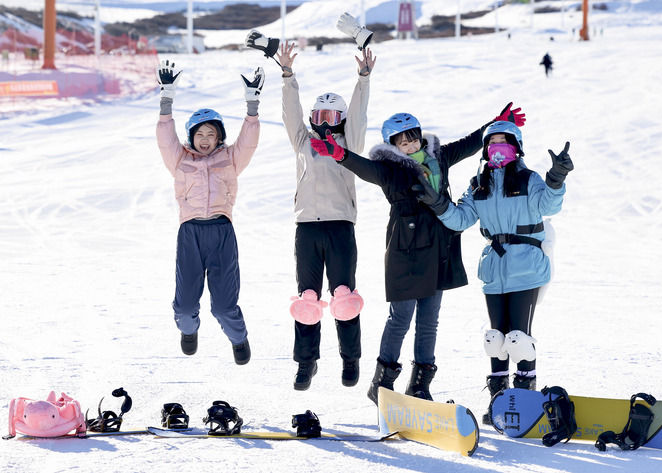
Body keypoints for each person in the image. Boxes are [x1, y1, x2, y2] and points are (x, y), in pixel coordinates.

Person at [310, 104, 521, 404]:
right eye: (401, 142)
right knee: (400, 318)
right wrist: (340, 154)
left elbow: (469, 143)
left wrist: (495, 123)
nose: (409, 145)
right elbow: (364, 168)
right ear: (392, 145)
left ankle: (420, 385)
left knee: (429, 320)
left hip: (439, 248)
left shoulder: (439, 157)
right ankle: (382, 383)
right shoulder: (389, 170)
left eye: (412, 138)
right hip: (405, 251)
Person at [412, 112, 573, 423]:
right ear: (485, 150)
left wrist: (557, 178)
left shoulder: (529, 179)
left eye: (504, 142)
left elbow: (549, 206)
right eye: (492, 143)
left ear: (516, 147)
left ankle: (524, 399)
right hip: (494, 270)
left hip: (527, 267)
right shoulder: (478, 185)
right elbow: (460, 219)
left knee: (519, 339)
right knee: (496, 340)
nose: (497, 147)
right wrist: (437, 202)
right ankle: (499, 401)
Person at [268, 38, 376, 391]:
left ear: (340, 119)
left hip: (340, 226)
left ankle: (350, 358)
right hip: (307, 228)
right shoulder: (303, 142)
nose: (323, 123)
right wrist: (287, 76)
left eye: (330, 117)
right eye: (318, 117)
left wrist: (363, 79)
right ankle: (306, 363)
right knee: (308, 301)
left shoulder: (348, 144)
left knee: (344, 298)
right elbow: (290, 114)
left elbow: (359, 114)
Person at [155, 59, 264, 365]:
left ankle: (238, 337)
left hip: (221, 233)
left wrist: (252, 106)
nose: (205, 140)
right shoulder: (180, 160)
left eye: (211, 135)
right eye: (200, 134)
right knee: (185, 307)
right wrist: (166, 100)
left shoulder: (230, 159)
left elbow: (249, 143)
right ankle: (188, 331)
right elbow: (165, 139)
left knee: (224, 307)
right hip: (190, 233)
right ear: (191, 136)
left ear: (219, 138)